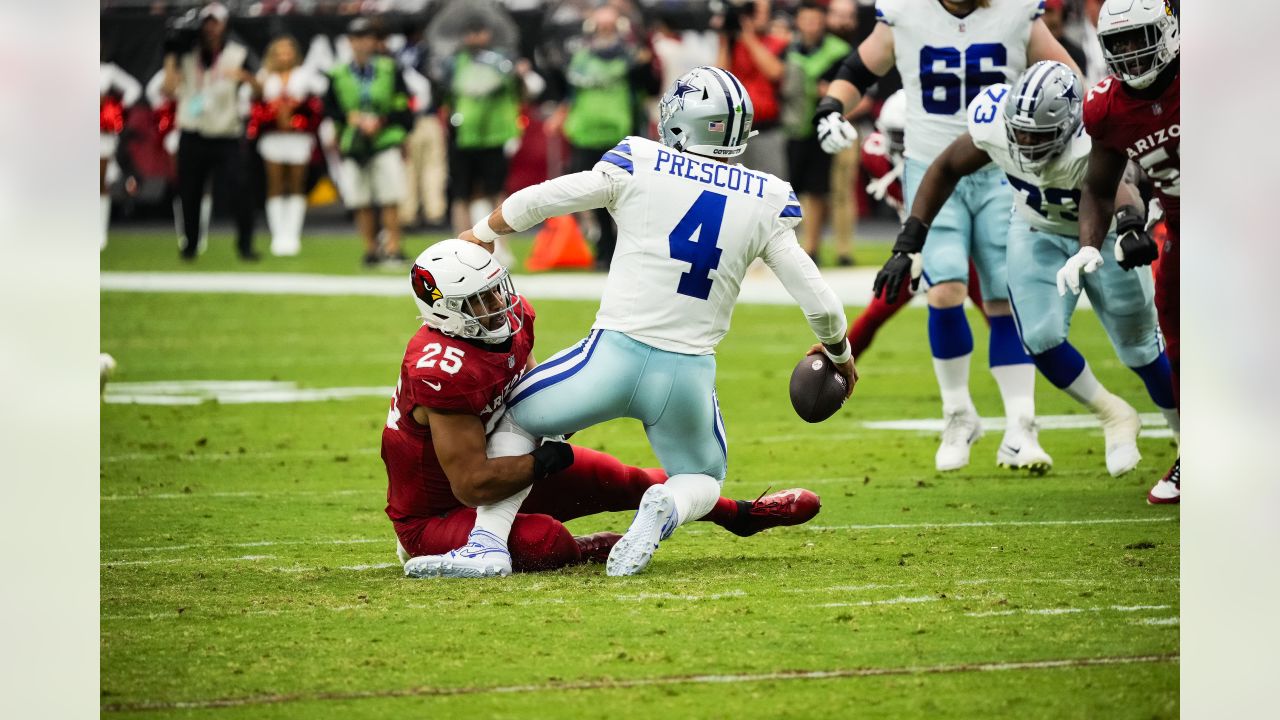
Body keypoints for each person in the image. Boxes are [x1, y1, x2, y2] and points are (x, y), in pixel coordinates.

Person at [415, 66, 856, 579]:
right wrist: (840, 355)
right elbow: (821, 304)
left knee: (517, 418)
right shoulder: (766, 198)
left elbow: (545, 197)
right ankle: (665, 505)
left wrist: (483, 230)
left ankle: (487, 544)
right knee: (703, 477)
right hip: (688, 373)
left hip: (611, 356)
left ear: (680, 120)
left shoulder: (640, 162)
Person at [385, 240, 823, 576]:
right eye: (480, 301)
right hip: (438, 513)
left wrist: (557, 420)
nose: (499, 307)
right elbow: (472, 484)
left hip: (508, 467)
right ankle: (591, 548)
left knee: (621, 479)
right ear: (444, 310)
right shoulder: (442, 368)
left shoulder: (511, 324)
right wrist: (541, 461)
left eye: (497, 291)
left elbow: (528, 395)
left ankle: (741, 515)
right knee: (547, 542)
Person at [874, 60, 1176, 477]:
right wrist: (910, 241)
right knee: (1038, 336)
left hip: (1102, 231)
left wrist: (1127, 225)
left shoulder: (1091, 131)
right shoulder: (994, 122)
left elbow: (1120, 187)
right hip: (1036, 229)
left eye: (1040, 134)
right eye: (1021, 131)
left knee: (1140, 346)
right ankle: (1113, 415)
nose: (1027, 143)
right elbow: (943, 167)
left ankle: (1187, 445)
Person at [812, 0, 1079, 472]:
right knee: (946, 290)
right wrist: (832, 106)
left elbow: (1066, 73)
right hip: (932, 169)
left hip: (1003, 167)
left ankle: (1022, 425)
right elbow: (860, 66)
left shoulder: (1017, 12)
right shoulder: (906, 12)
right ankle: (958, 414)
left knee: (1003, 297)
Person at [1069, 0, 1180, 503]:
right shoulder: (1107, 107)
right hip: (1182, 230)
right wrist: (1092, 246)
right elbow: (1098, 187)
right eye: (1118, 43)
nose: (1130, 53)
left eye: (1139, 37)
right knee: (1178, 341)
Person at [545, 5, 659, 270]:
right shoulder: (580, 57)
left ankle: (628, 248)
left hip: (621, 134)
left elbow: (650, 86)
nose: (605, 32)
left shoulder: (633, 55)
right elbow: (569, 92)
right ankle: (604, 250)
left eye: (609, 27)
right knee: (594, 195)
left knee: (629, 196)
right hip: (585, 132)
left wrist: (644, 62)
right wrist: (561, 115)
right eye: (601, 27)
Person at [161, 2, 259, 261]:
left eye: (216, 22)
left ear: (225, 25)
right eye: (207, 22)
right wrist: (170, 52)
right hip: (193, 133)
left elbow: (260, 90)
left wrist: (246, 79)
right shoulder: (186, 54)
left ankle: (246, 246)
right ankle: (190, 245)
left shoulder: (238, 53)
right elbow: (169, 88)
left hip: (226, 133)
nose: (211, 28)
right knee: (190, 192)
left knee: (240, 190)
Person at [440, 21, 533, 267]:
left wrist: (519, 74)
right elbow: (446, 94)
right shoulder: (454, 62)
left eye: (478, 31)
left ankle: (502, 247)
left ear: (488, 33)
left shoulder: (503, 61)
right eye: (470, 32)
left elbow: (523, 91)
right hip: (463, 135)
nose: (475, 37)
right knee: (461, 193)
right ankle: (459, 249)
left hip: (493, 136)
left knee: (497, 192)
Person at [325, 18, 413, 267]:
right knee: (360, 198)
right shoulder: (338, 72)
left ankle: (394, 247)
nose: (362, 43)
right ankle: (371, 250)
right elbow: (329, 108)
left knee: (390, 196)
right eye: (357, 38)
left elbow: (403, 103)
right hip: (353, 143)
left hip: (384, 139)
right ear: (350, 42)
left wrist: (381, 120)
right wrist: (349, 118)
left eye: (367, 38)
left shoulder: (389, 68)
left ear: (374, 41)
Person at [780, 2, 851, 265]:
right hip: (795, 126)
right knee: (792, 189)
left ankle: (813, 246)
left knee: (819, 190)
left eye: (815, 20)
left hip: (823, 127)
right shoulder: (789, 48)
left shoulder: (839, 51)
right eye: (806, 20)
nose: (811, 25)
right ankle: (787, 245)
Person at [250, 35, 325, 257]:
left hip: (298, 137)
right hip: (273, 137)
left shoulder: (304, 75)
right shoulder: (264, 75)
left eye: (288, 51)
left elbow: (320, 92)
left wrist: (296, 107)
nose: (284, 56)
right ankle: (278, 235)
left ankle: (292, 234)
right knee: (275, 183)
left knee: (295, 184)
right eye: (280, 51)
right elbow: (252, 98)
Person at [718, 0, 789, 180]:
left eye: (759, 11)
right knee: (733, 185)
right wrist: (727, 38)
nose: (755, 16)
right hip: (736, 130)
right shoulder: (733, 44)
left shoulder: (778, 42)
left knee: (771, 185)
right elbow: (719, 77)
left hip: (767, 128)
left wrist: (748, 37)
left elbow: (774, 72)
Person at [100, 60, 142, 250]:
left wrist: (115, 107)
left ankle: (99, 232)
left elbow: (133, 88)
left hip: (102, 132)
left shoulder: (108, 70)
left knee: (100, 181)